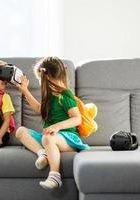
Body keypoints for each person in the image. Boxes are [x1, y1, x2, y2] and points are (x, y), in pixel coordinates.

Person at [15, 57, 90, 189]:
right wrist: (25, 91)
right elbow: (39, 109)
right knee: (21, 131)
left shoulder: (65, 95)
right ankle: (42, 153)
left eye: (39, 79)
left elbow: (77, 118)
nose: (39, 82)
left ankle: (55, 176)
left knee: (47, 137)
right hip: (51, 138)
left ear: (47, 77)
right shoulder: (49, 96)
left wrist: (57, 126)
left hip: (68, 139)